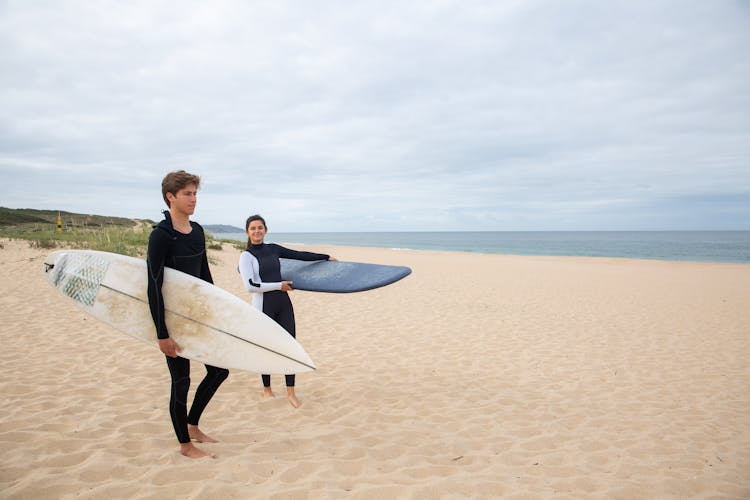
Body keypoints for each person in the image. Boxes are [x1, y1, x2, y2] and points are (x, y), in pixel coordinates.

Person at [146, 170, 229, 459]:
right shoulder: (161, 236)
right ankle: (185, 445)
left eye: (195, 193)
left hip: (198, 316)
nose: (193, 199)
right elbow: (153, 285)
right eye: (187, 194)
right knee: (181, 381)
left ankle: (192, 425)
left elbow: (204, 277)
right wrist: (162, 333)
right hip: (173, 319)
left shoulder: (198, 232)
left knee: (219, 370)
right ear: (171, 197)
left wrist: (215, 311)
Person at [238, 214, 334, 408]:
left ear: (265, 229)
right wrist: (278, 285)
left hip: (283, 303)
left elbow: (299, 255)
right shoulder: (246, 256)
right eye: (253, 228)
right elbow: (251, 285)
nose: (257, 231)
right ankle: (267, 389)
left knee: (290, 347)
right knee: (266, 348)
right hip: (263, 306)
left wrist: (325, 257)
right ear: (248, 232)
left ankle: (291, 392)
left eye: (260, 227)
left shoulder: (273, 249)